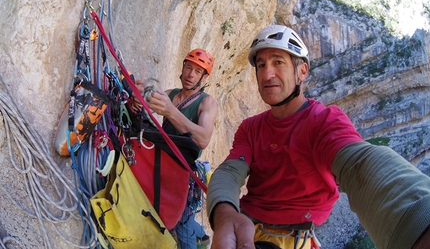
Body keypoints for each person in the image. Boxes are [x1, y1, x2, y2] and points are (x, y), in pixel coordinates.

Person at [206, 25, 430, 249]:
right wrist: (224, 213)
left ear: (302, 71)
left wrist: (418, 218)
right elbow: (230, 171)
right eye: (261, 65)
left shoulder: (324, 121)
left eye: (278, 62)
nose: (267, 74)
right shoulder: (250, 128)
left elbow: (359, 163)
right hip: (247, 228)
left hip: (291, 239)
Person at [141, 48, 218, 249]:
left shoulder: (207, 103)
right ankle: (201, 236)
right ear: (182, 68)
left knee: (181, 220)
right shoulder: (171, 94)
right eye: (188, 67)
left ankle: (195, 240)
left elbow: (203, 139)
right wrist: (139, 93)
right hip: (163, 161)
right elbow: (147, 102)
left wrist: (170, 111)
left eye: (197, 71)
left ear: (203, 77)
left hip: (183, 170)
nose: (190, 74)